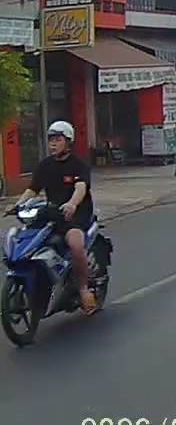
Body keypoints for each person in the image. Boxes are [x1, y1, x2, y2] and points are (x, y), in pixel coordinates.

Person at [17, 121, 97, 312]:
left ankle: (83, 288)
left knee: (75, 244)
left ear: (68, 142)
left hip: (76, 214)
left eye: (58, 140)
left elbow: (80, 188)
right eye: (51, 140)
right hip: (53, 213)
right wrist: (18, 205)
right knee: (30, 239)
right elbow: (33, 189)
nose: (53, 144)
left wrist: (72, 204)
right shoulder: (45, 165)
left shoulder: (78, 165)